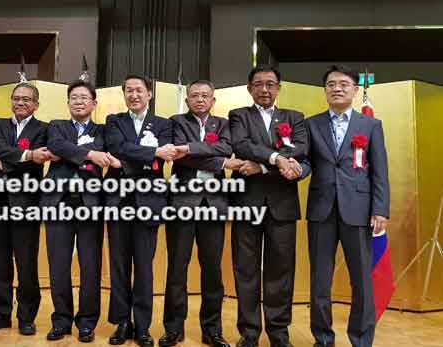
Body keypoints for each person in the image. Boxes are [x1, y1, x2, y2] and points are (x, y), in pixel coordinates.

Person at [304, 65, 389, 347]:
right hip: (321, 211)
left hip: (359, 211)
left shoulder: (370, 125)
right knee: (320, 282)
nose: (337, 88)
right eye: (330, 84)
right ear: (324, 90)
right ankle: (323, 339)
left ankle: (361, 339)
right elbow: (306, 163)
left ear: (354, 90)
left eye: (343, 84)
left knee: (362, 282)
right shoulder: (311, 124)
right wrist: (294, 167)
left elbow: (379, 171)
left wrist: (380, 209)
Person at [229, 65, 307, 347]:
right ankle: (249, 333)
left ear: (279, 88)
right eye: (259, 84)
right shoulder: (238, 116)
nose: (265, 89)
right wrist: (275, 158)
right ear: (249, 88)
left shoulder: (295, 118)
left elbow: (300, 150)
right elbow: (242, 145)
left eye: (271, 84)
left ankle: (278, 333)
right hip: (246, 203)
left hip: (283, 205)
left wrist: (262, 167)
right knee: (245, 270)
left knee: (281, 271)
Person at [160, 80, 243, 347]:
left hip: (214, 204)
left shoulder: (224, 124)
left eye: (205, 95)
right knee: (177, 268)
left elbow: (225, 148)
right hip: (182, 201)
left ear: (213, 100)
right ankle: (173, 328)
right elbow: (177, 155)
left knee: (212, 270)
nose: (199, 99)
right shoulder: (175, 121)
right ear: (187, 101)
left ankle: (212, 330)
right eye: (194, 95)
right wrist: (220, 161)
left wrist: (192, 149)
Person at [41, 80, 118, 343]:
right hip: (58, 203)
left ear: (94, 103)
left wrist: (90, 154)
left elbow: (108, 153)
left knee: (90, 266)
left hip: (90, 205)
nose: (79, 101)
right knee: (58, 266)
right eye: (74, 97)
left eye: (84, 97)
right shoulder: (56, 127)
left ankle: (87, 321)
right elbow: (56, 146)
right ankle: (61, 320)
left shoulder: (104, 130)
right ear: (68, 102)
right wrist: (91, 155)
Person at [104, 74, 175, 347]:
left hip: (149, 203)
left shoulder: (164, 124)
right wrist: (151, 154)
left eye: (139, 90)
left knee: (144, 267)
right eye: (129, 91)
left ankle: (143, 326)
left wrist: (129, 161)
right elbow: (115, 148)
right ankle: (122, 323)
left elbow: (163, 159)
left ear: (149, 94)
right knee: (119, 265)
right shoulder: (114, 121)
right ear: (124, 94)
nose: (134, 95)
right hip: (118, 203)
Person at [0, 82, 51, 336]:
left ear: (36, 105)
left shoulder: (44, 129)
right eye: (16, 98)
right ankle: (0, 313)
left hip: (26, 205)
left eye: (26, 99)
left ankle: (27, 316)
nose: (20, 103)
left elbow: (33, 164)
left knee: (26, 262)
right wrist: (26, 156)